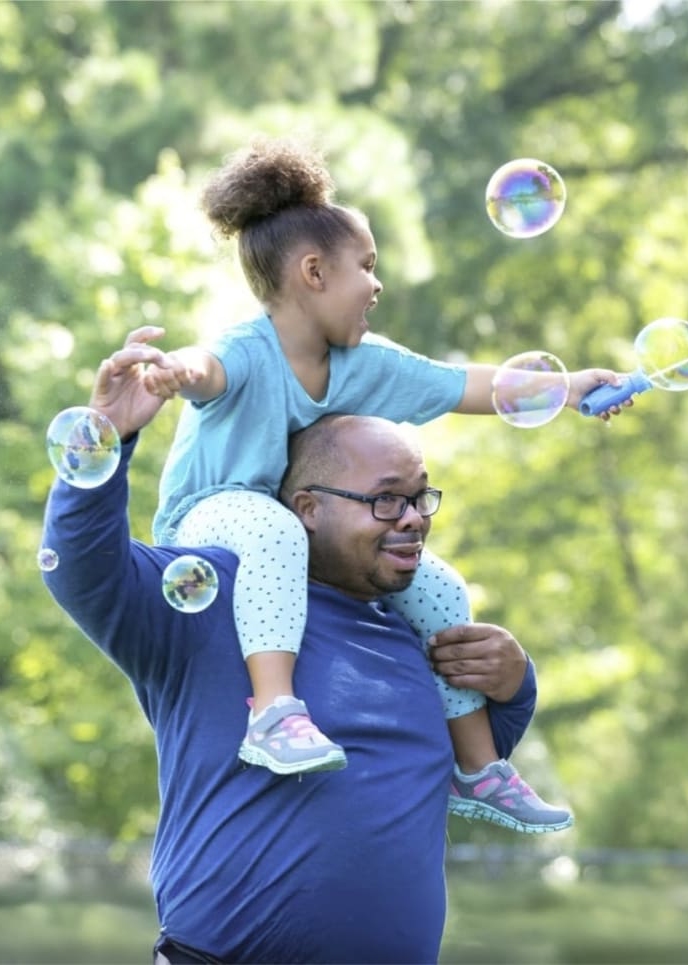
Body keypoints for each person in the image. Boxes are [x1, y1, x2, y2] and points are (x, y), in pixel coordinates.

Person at [127, 138, 624, 832]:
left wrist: (567, 387)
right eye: (366, 266)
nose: (376, 284)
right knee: (271, 528)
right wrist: (173, 371)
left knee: (440, 586)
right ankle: (272, 712)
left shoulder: (363, 363)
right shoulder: (248, 348)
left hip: (283, 531)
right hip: (206, 520)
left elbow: (465, 384)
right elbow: (206, 367)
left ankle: (478, 768)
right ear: (312, 273)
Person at [45, 338, 554, 961]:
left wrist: (513, 682)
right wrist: (108, 439)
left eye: (421, 497)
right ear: (307, 508)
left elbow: (456, 767)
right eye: (386, 499)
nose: (414, 518)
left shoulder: (416, 626)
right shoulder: (210, 598)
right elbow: (80, 571)